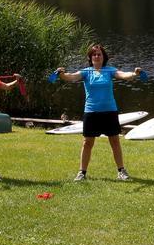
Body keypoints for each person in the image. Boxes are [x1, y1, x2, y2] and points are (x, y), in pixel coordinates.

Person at [55, 43, 144, 181]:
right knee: (87, 143)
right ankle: (82, 173)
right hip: (91, 112)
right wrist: (61, 74)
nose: (97, 56)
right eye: (94, 54)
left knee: (115, 141)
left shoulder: (110, 70)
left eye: (99, 54)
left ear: (103, 57)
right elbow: (71, 77)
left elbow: (123, 75)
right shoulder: (86, 72)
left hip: (110, 111)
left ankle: (121, 171)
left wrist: (134, 73)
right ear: (90, 58)